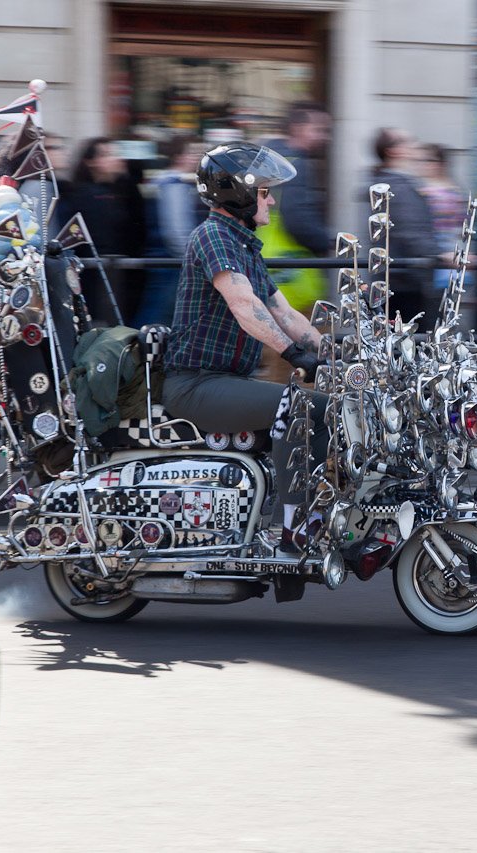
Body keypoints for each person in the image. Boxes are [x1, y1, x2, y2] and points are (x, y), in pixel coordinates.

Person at [160, 141, 326, 551]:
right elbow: (244, 304)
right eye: (265, 192)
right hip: (196, 384)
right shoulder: (213, 236)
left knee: (329, 403)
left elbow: (285, 313)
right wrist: (293, 355)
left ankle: (311, 511)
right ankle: (296, 529)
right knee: (304, 406)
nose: (271, 201)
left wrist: (335, 353)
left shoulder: (244, 245)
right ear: (239, 193)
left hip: (225, 380)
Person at [59, 137, 147, 326]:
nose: (116, 158)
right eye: (106, 154)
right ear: (91, 162)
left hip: (115, 273)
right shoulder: (87, 195)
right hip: (102, 275)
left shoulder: (120, 190)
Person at [259, 102, 333, 314]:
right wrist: (325, 241)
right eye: (318, 129)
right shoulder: (294, 164)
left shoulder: (268, 160)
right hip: (293, 274)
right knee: (312, 340)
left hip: (267, 262)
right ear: (298, 128)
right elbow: (297, 217)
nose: (324, 136)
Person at [368, 128, 444, 327]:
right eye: (408, 142)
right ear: (393, 151)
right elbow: (411, 230)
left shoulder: (387, 182)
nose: (414, 146)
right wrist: (440, 255)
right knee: (407, 344)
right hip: (404, 279)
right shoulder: (397, 186)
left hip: (396, 277)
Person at [135, 134, 206, 326]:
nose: (197, 157)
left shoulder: (167, 182)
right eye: (192, 152)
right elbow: (176, 231)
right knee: (158, 314)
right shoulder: (174, 185)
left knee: (157, 310)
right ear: (178, 156)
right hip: (172, 261)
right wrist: (192, 258)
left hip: (165, 259)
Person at [417, 143, 469, 293]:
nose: (423, 166)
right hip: (441, 250)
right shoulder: (453, 189)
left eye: (428, 161)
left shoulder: (440, 191)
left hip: (443, 250)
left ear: (440, 164)